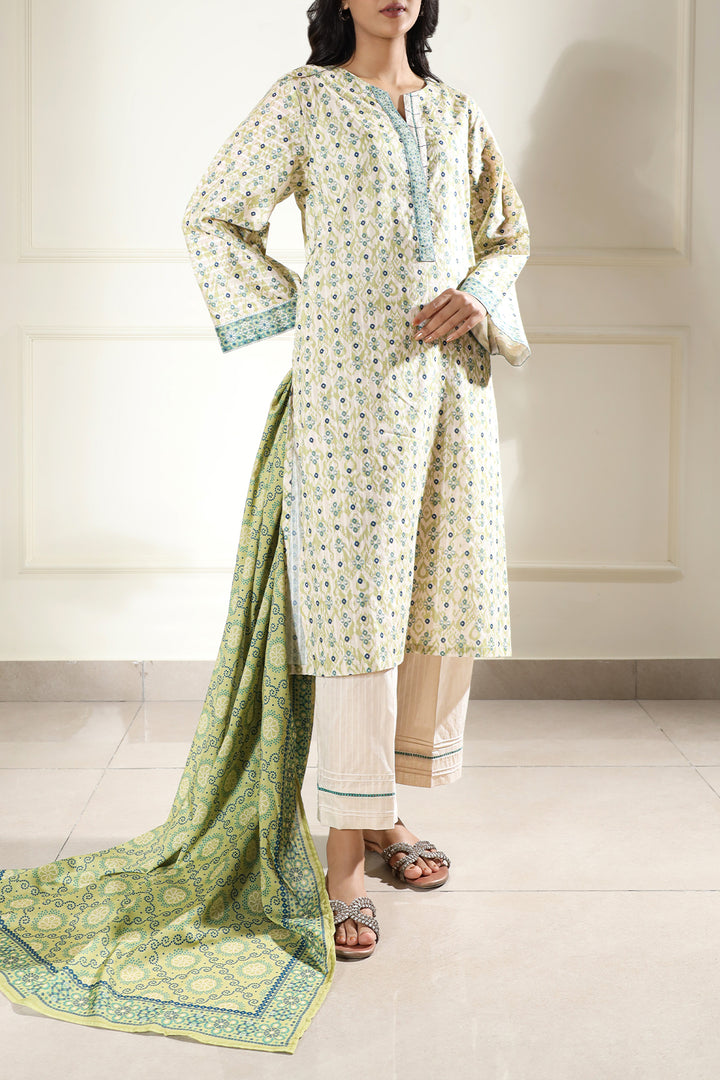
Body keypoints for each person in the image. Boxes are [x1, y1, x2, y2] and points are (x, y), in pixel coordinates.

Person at [182, 0, 531, 960]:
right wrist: (312, 309)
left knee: (436, 591)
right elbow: (213, 214)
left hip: (451, 389)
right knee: (357, 608)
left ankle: (379, 816)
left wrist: (480, 294)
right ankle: (342, 859)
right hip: (352, 393)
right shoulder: (305, 100)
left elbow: (507, 235)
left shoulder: (455, 111)